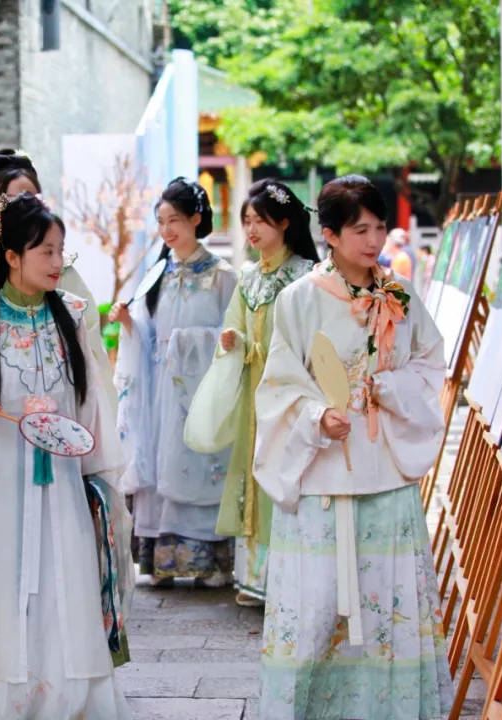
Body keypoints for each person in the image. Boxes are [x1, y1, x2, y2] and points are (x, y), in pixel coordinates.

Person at [0, 193, 133, 719]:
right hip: (0, 477)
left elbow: (93, 404)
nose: (59, 263)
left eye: (61, 251)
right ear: (12, 255)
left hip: (63, 479)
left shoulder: (74, 317)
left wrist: (99, 478)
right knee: (2, 577)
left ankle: (71, 694)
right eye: (46, 252)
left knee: (67, 575)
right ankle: (2, 695)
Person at [253, 175, 452, 719]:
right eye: (360, 229)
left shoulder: (400, 295)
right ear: (331, 234)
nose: (374, 240)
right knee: (316, 613)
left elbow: (431, 362)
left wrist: (386, 388)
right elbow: (277, 386)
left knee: (388, 612)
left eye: (380, 227)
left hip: (385, 476)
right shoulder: (299, 301)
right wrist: (318, 416)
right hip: (321, 475)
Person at [192, 179, 320, 607]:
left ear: (284, 223)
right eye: (246, 221)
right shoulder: (248, 277)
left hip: (291, 393)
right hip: (255, 393)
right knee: (254, 470)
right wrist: (234, 342)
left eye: (259, 221)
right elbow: (238, 329)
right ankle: (254, 578)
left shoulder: (306, 274)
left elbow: (310, 338)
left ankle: (288, 577)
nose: (251, 230)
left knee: (286, 470)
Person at [110, 177, 237, 587]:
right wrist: (130, 323)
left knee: (202, 461)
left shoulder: (223, 276)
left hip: (203, 390)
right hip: (161, 390)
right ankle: (163, 559)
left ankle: (209, 561)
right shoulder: (158, 274)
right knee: (161, 459)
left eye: (175, 220)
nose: (167, 230)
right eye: (161, 221)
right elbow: (148, 336)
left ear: (197, 219)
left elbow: (230, 333)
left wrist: (191, 345)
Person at [0, 149, 116, 410]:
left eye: (32, 199)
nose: (23, 209)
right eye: (10, 201)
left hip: (57, 414)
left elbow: (92, 357)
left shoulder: (61, 273)